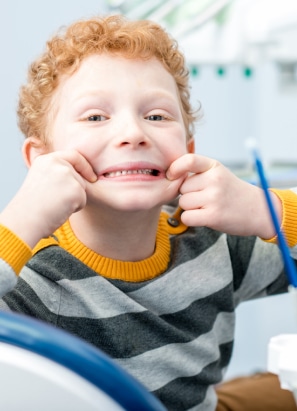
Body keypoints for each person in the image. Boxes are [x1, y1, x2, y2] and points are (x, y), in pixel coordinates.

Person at [0, 14, 297, 411]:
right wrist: (18, 223)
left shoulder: (214, 243)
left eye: (156, 116)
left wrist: (269, 210)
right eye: (95, 117)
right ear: (42, 159)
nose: (134, 133)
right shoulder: (33, 278)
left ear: (188, 151)